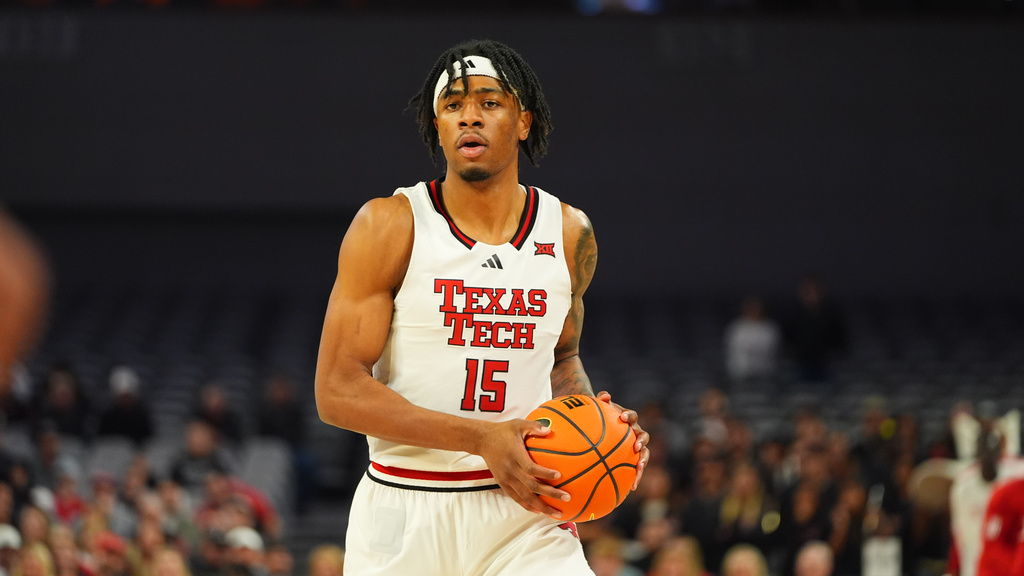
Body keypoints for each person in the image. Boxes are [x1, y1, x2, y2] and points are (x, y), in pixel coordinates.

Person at [313, 39, 649, 576]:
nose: (469, 115)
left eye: (489, 102)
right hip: (406, 503)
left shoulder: (568, 232)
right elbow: (335, 392)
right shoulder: (389, 225)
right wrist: (480, 436)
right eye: (452, 105)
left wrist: (600, 432)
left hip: (525, 510)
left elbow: (562, 360)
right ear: (437, 126)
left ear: (522, 120)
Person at [723, 296, 780, 384]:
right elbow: (733, 348)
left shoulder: (769, 327)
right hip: (740, 372)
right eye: (750, 307)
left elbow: (771, 348)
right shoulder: (736, 327)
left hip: (764, 372)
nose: (753, 310)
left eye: (756, 308)